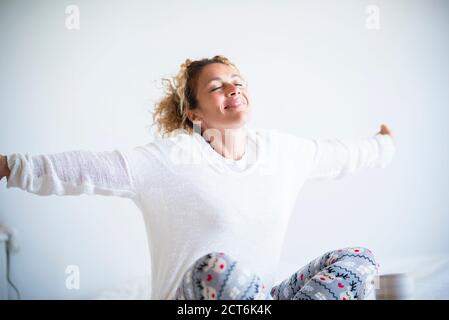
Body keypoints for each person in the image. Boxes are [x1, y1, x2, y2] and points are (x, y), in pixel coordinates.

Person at [0, 55, 396, 300]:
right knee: (217, 267)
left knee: (358, 261)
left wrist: (383, 144)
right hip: (194, 299)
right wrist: (9, 166)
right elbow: (86, 169)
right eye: (217, 86)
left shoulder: (283, 152)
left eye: (238, 81)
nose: (233, 89)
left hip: (263, 297)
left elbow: (341, 154)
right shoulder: (170, 159)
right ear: (194, 113)